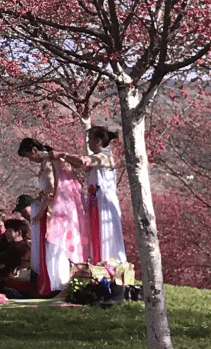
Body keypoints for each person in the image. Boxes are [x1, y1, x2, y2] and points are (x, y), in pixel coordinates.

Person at [18, 136, 88, 295]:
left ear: (35, 150)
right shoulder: (50, 161)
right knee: (55, 246)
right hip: (57, 208)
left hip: (56, 211)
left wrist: (41, 211)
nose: (30, 160)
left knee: (55, 246)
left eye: (29, 156)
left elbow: (50, 190)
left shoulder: (48, 162)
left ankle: (59, 285)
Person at [85, 125, 128, 266]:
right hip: (94, 203)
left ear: (98, 140)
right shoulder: (96, 157)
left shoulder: (105, 158)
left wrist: (63, 156)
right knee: (95, 235)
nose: (87, 142)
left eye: (90, 139)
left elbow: (84, 160)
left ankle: (111, 266)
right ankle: (97, 263)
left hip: (105, 205)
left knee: (107, 235)